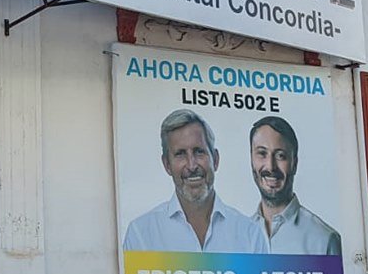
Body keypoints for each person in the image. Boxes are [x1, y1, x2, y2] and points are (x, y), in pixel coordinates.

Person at [122, 108, 268, 253]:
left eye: (199, 152)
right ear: (167, 165)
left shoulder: (251, 235)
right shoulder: (140, 235)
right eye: (180, 154)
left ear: (215, 160)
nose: (192, 166)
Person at [248, 115, 341, 256]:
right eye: (262, 153)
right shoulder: (238, 238)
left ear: (294, 163)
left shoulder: (324, 240)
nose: (271, 166)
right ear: (251, 159)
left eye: (280, 156)